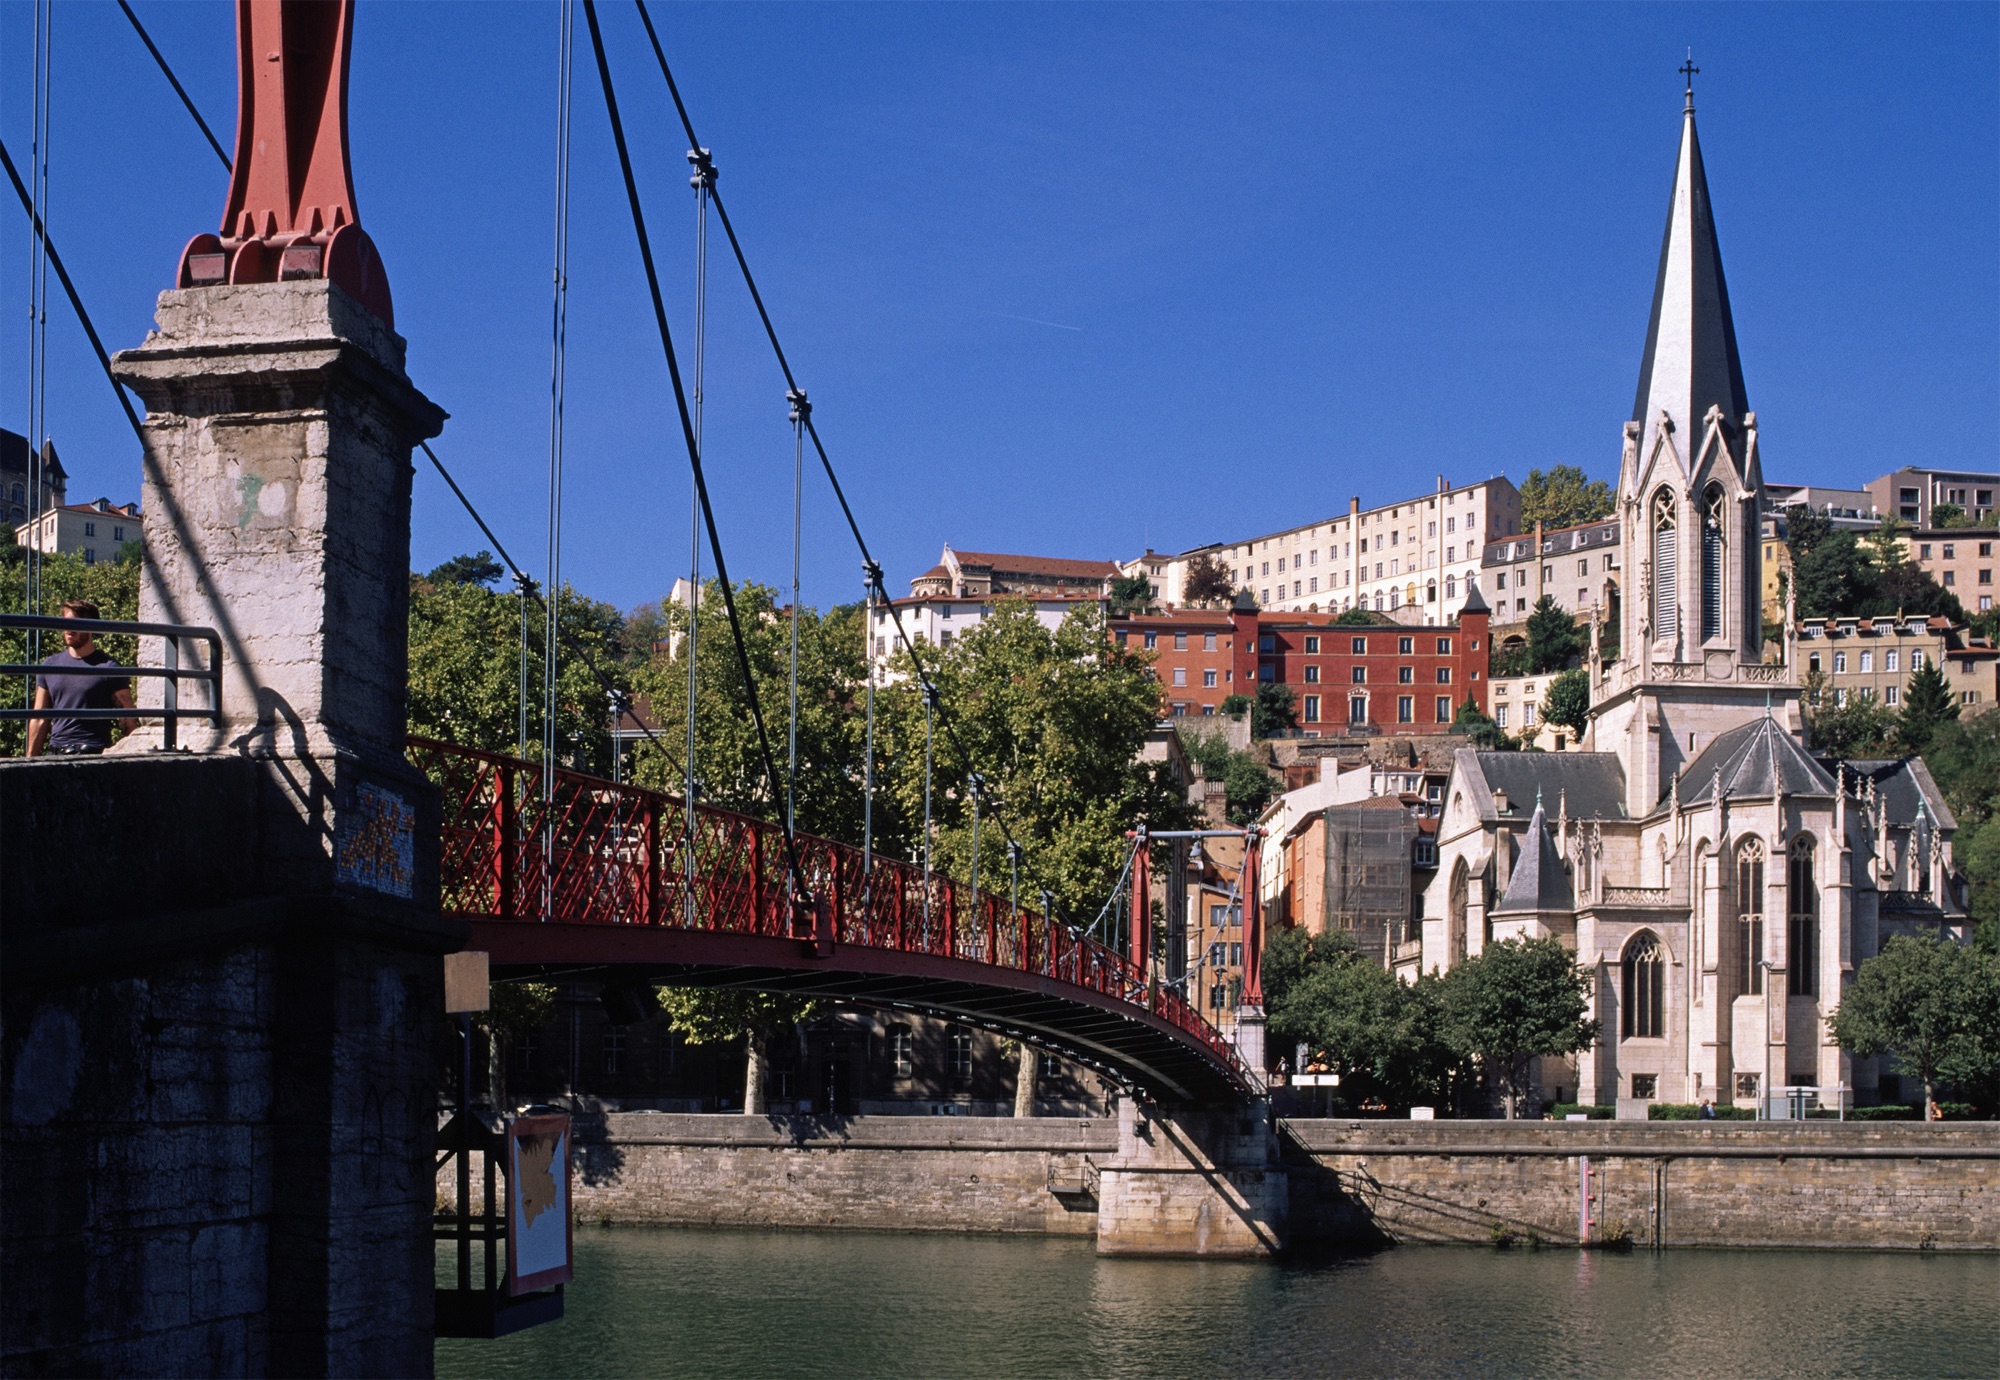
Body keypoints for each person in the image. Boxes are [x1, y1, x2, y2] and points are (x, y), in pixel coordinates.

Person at [25, 600, 137, 757]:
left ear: (91, 627)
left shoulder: (109, 668)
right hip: (57, 754)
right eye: (65, 623)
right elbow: (39, 719)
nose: (69, 629)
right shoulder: (49, 665)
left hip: (92, 754)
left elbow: (128, 720)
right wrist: (29, 760)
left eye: (75, 623)